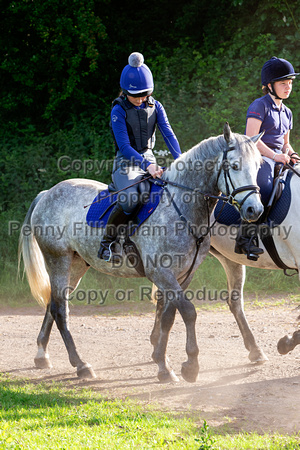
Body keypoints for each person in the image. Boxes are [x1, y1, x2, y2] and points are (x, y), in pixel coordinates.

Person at [98, 52, 182, 262]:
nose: (141, 99)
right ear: (125, 93)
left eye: (145, 95)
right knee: (130, 199)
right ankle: (107, 242)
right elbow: (125, 147)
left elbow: (168, 134)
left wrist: (181, 159)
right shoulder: (118, 110)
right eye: (136, 96)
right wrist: (148, 165)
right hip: (126, 163)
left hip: (148, 160)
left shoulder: (156, 106)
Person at [235, 56, 299, 261]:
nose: (288, 87)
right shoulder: (259, 105)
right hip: (260, 157)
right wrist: (275, 156)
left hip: (279, 157)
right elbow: (251, 139)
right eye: (283, 83)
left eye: (290, 83)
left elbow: (286, 143)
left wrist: (292, 154)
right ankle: (244, 239)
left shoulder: (287, 112)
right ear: (269, 85)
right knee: (263, 186)